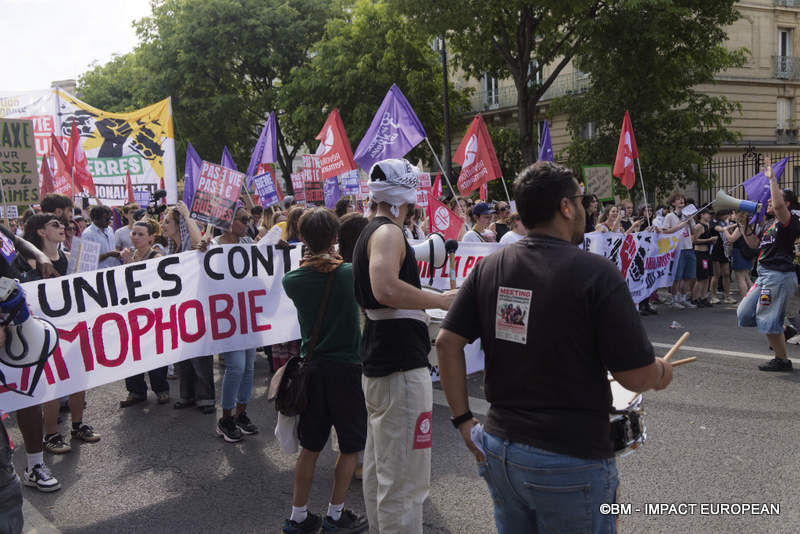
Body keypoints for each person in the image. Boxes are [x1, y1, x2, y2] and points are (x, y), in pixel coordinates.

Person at [435, 161, 673, 534]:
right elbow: (636, 376)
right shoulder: (597, 272)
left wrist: (463, 421)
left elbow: (446, 343)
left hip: (501, 450)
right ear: (565, 207)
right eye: (582, 200)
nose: (585, 208)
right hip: (569, 458)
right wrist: (661, 372)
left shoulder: (490, 267)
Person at [352, 158, 455, 534]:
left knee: (383, 474)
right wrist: (441, 301)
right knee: (406, 483)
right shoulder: (389, 234)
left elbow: (385, 291)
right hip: (399, 371)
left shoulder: (371, 231)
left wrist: (437, 297)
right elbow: (386, 288)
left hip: (384, 365)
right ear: (404, 200)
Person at [281, 208, 368, 534]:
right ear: (335, 239)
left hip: (312, 372)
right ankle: (335, 514)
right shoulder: (350, 273)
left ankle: (299, 516)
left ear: (302, 238)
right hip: (347, 371)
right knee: (349, 446)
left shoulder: (293, 280)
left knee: (311, 447)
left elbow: (308, 272)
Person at [17, 214, 101, 454]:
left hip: (72, 330)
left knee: (78, 379)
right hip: (44, 334)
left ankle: (77, 425)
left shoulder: (69, 258)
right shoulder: (27, 263)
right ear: (41, 232)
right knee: (52, 383)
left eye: (62, 224)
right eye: (55, 225)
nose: (62, 227)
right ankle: (51, 434)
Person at [737, 158, 800, 372]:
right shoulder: (770, 224)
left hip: (778, 276)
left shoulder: (788, 222)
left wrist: (772, 179)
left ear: (787, 204)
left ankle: (782, 359)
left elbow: (779, 204)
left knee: (767, 317)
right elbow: (754, 244)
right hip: (764, 275)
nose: (770, 202)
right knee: (745, 314)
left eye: (775, 200)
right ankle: (782, 329)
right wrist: (741, 223)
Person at [208, 206, 260, 442]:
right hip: (228, 315)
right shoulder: (213, 246)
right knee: (236, 366)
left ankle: (241, 414)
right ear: (229, 222)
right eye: (244, 219)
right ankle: (225, 419)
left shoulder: (249, 242)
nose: (248, 222)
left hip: (248, 312)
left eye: (248, 218)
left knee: (249, 366)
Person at [118, 220, 170, 407]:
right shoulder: (128, 255)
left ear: (151, 237)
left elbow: (151, 281)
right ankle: (136, 390)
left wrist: (131, 264)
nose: (136, 237)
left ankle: (161, 389)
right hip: (132, 313)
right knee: (133, 352)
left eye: (141, 234)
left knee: (155, 350)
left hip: (152, 313)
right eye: (134, 233)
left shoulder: (156, 256)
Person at [660, 192, 697, 308]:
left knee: (688, 275)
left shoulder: (688, 215)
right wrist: (679, 226)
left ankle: (684, 297)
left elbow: (694, 231)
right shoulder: (670, 216)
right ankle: (674, 299)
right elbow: (664, 231)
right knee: (677, 276)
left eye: (682, 199)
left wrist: (690, 220)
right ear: (673, 203)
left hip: (688, 247)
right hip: (677, 249)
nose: (681, 201)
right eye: (678, 199)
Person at [691, 209, 718, 307]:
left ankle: (703, 297)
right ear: (702, 215)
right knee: (700, 277)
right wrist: (709, 239)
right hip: (700, 253)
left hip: (707, 253)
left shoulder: (707, 225)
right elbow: (694, 240)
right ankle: (695, 298)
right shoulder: (699, 226)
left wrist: (711, 241)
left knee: (707, 276)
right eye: (708, 214)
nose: (709, 216)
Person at [709, 210, 735, 304]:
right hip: (715, 250)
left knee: (727, 273)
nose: (727, 216)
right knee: (716, 274)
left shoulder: (725, 222)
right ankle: (713, 295)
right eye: (725, 214)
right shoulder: (713, 222)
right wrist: (735, 225)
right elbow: (721, 229)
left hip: (724, 250)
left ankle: (727, 295)